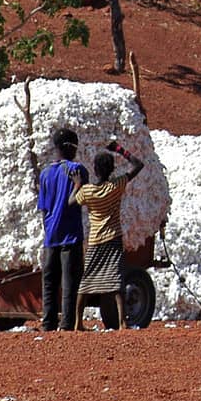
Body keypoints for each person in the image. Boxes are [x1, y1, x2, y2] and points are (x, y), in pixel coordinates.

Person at [70, 140, 148, 330]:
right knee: (116, 281)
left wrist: (78, 184)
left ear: (95, 170)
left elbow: (71, 202)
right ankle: (122, 322)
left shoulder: (88, 191)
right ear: (112, 169)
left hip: (95, 241)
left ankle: (77, 322)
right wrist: (120, 149)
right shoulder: (115, 186)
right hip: (113, 239)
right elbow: (138, 165)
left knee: (87, 280)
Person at [35, 128, 87, 331]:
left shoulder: (46, 173)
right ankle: (67, 324)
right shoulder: (77, 170)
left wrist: (48, 232)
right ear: (71, 148)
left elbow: (43, 207)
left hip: (51, 237)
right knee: (69, 283)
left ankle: (48, 323)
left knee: (49, 283)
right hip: (71, 235)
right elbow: (80, 199)